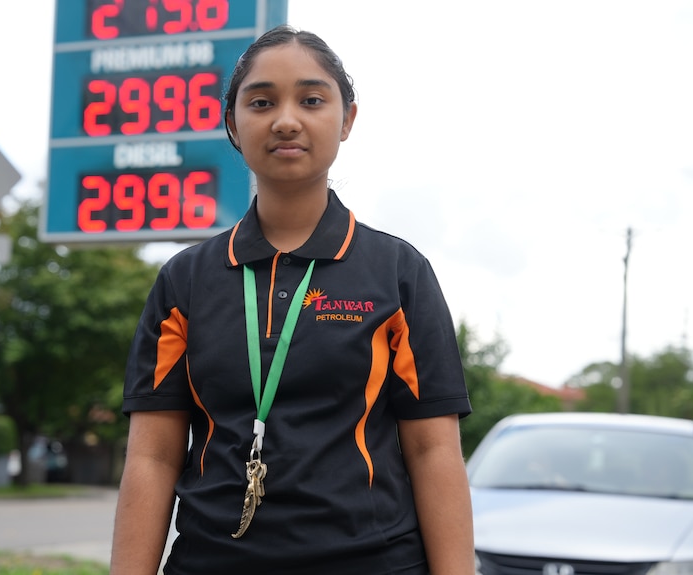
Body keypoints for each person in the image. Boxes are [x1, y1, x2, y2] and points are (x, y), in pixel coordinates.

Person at [110, 24, 474, 575]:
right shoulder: (185, 281)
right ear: (233, 123)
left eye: (310, 99)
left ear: (346, 119)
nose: (285, 119)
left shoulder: (398, 273)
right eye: (261, 102)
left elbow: (434, 451)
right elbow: (153, 456)